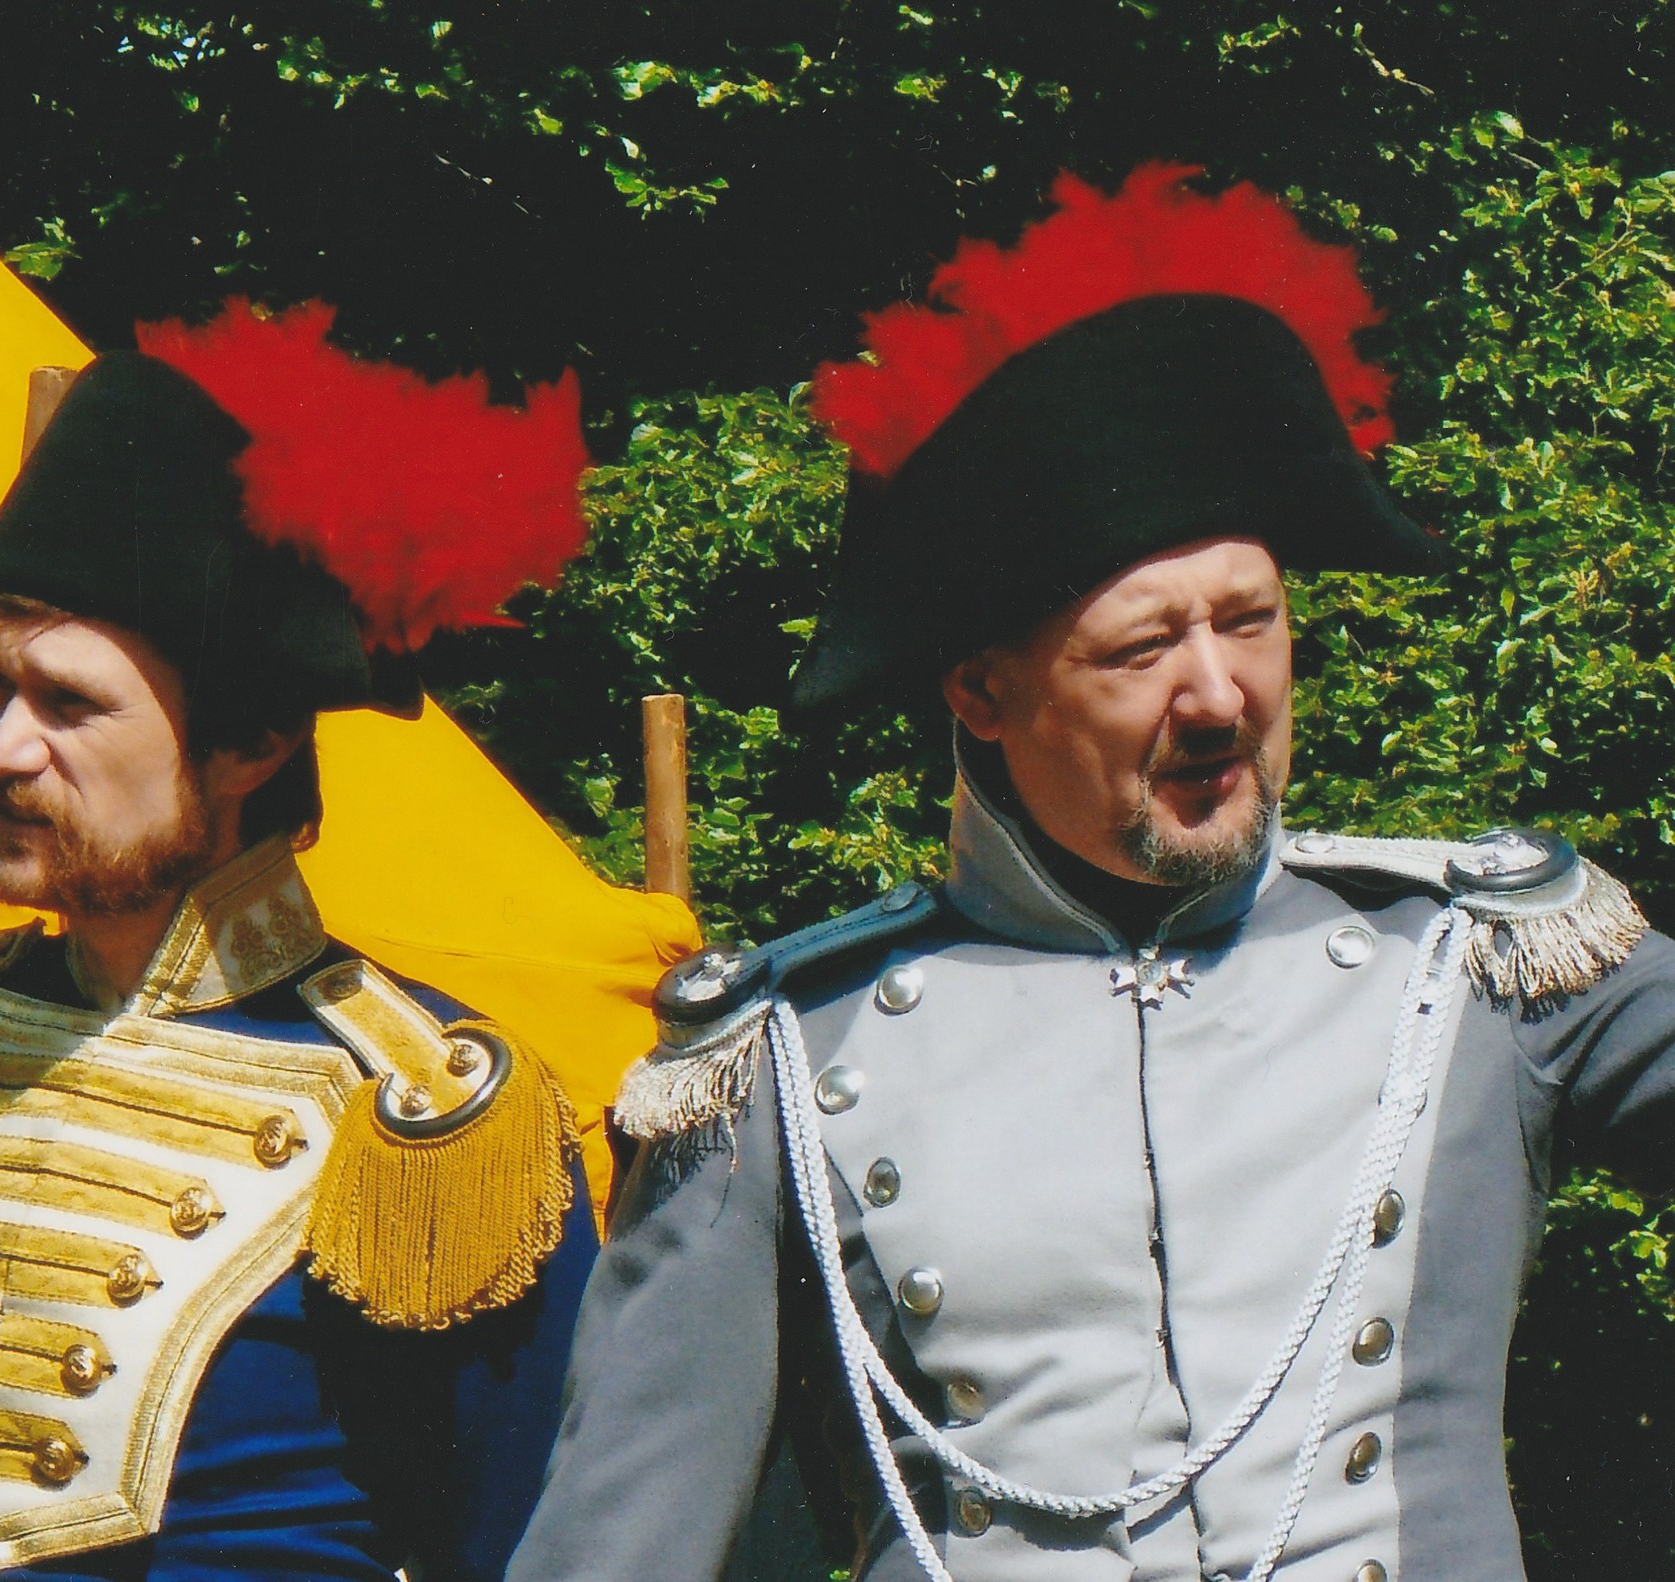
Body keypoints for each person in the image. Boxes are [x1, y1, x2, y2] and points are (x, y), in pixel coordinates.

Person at [505, 165, 1673, 1582]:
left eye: (1250, 621)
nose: (1219, 695)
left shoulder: (1487, 963)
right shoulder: (781, 1060)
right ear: (983, 694)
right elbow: (621, 1543)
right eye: (1142, 647)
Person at [0, 300, 599, 1582]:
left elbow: (533, 1544)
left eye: (70, 703)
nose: (3, 747)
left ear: (253, 741)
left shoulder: (424, 1123)